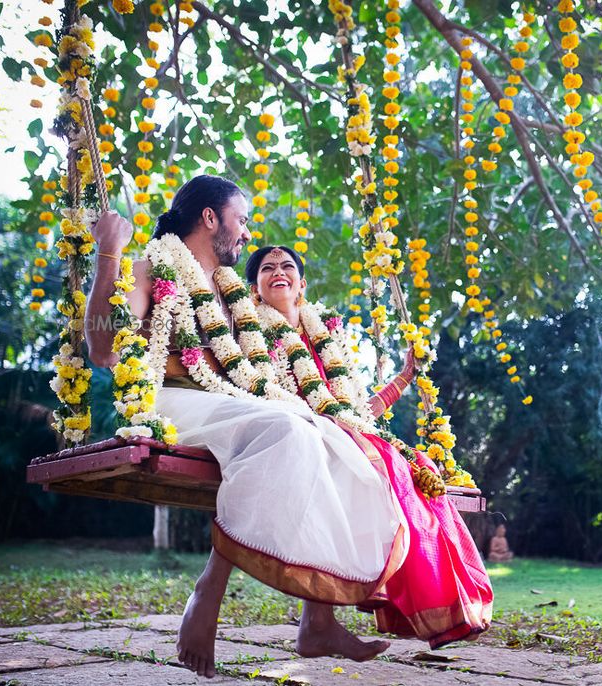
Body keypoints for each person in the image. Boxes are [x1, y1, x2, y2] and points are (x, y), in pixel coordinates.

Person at [85, 176, 408, 678]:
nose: (247, 232)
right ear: (210, 218)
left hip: (232, 402)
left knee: (338, 443)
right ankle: (208, 591)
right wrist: (109, 254)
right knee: (288, 431)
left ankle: (318, 619)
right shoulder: (153, 266)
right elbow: (104, 348)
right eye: (242, 219)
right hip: (171, 401)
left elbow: (269, 365)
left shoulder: (235, 295)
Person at [246, 245, 492, 649]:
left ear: (302, 283)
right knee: (382, 469)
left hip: (344, 431)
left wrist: (404, 377)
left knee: (420, 469)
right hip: (294, 432)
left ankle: (440, 605)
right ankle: (320, 625)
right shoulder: (249, 328)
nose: (279, 272)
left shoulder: (324, 332)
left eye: (288, 266)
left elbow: (358, 408)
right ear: (254, 288)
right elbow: (256, 390)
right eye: (267, 268)